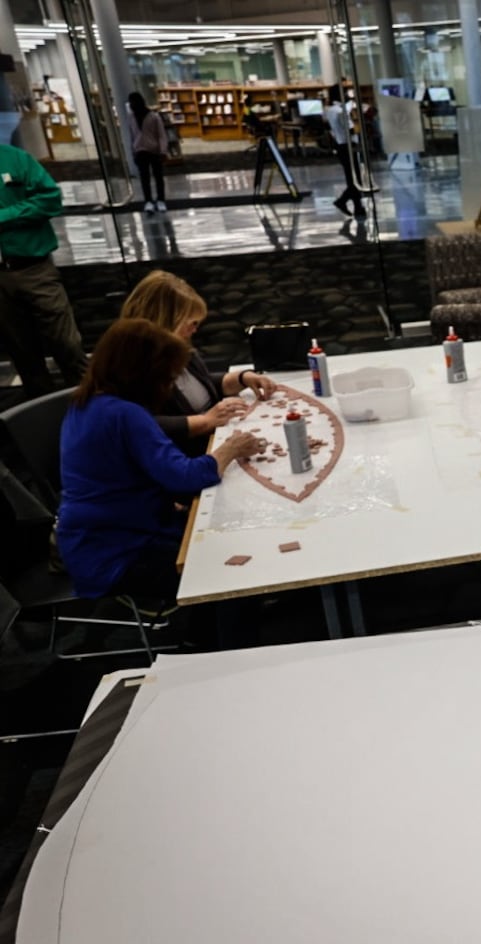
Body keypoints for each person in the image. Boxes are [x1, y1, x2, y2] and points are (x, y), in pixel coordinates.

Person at [56, 319, 265, 601]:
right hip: (117, 554)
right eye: (166, 379)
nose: (168, 388)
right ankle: (220, 639)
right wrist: (230, 449)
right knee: (225, 566)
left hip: (95, 540)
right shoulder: (125, 415)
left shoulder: (87, 402)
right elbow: (186, 479)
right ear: (144, 375)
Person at [119, 270, 279, 457]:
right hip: (186, 460)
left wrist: (242, 378)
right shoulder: (133, 365)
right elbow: (138, 425)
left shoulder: (175, 349)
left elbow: (197, 386)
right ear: (165, 320)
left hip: (214, 442)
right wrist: (205, 421)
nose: (195, 329)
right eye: (191, 323)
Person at [0, 142, 88, 397]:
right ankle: (44, 419)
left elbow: (50, 200)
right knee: (23, 354)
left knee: (68, 345)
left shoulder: (16, 159)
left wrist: (4, 217)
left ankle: (91, 407)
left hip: (33, 268)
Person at [326, 89, 365, 218]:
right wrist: (358, 121)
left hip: (340, 146)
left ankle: (358, 208)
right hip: (348, 146)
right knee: (356, 179)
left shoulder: (331, 110)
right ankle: (342, 201)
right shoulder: (341, 111)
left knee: (352, 178)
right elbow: (351, 130)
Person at [127, 92, 168, 214]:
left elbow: (161, 135)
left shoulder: (153, 116)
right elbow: (131, 136)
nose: (131, 104)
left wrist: (163, 151)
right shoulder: (131, 117)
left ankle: (160, 200)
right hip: (140, 151)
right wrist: (133, 151)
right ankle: (148, 201)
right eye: (130, 102)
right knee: (144, 178)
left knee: (158, 176)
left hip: (154, 150)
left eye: (133, 102)